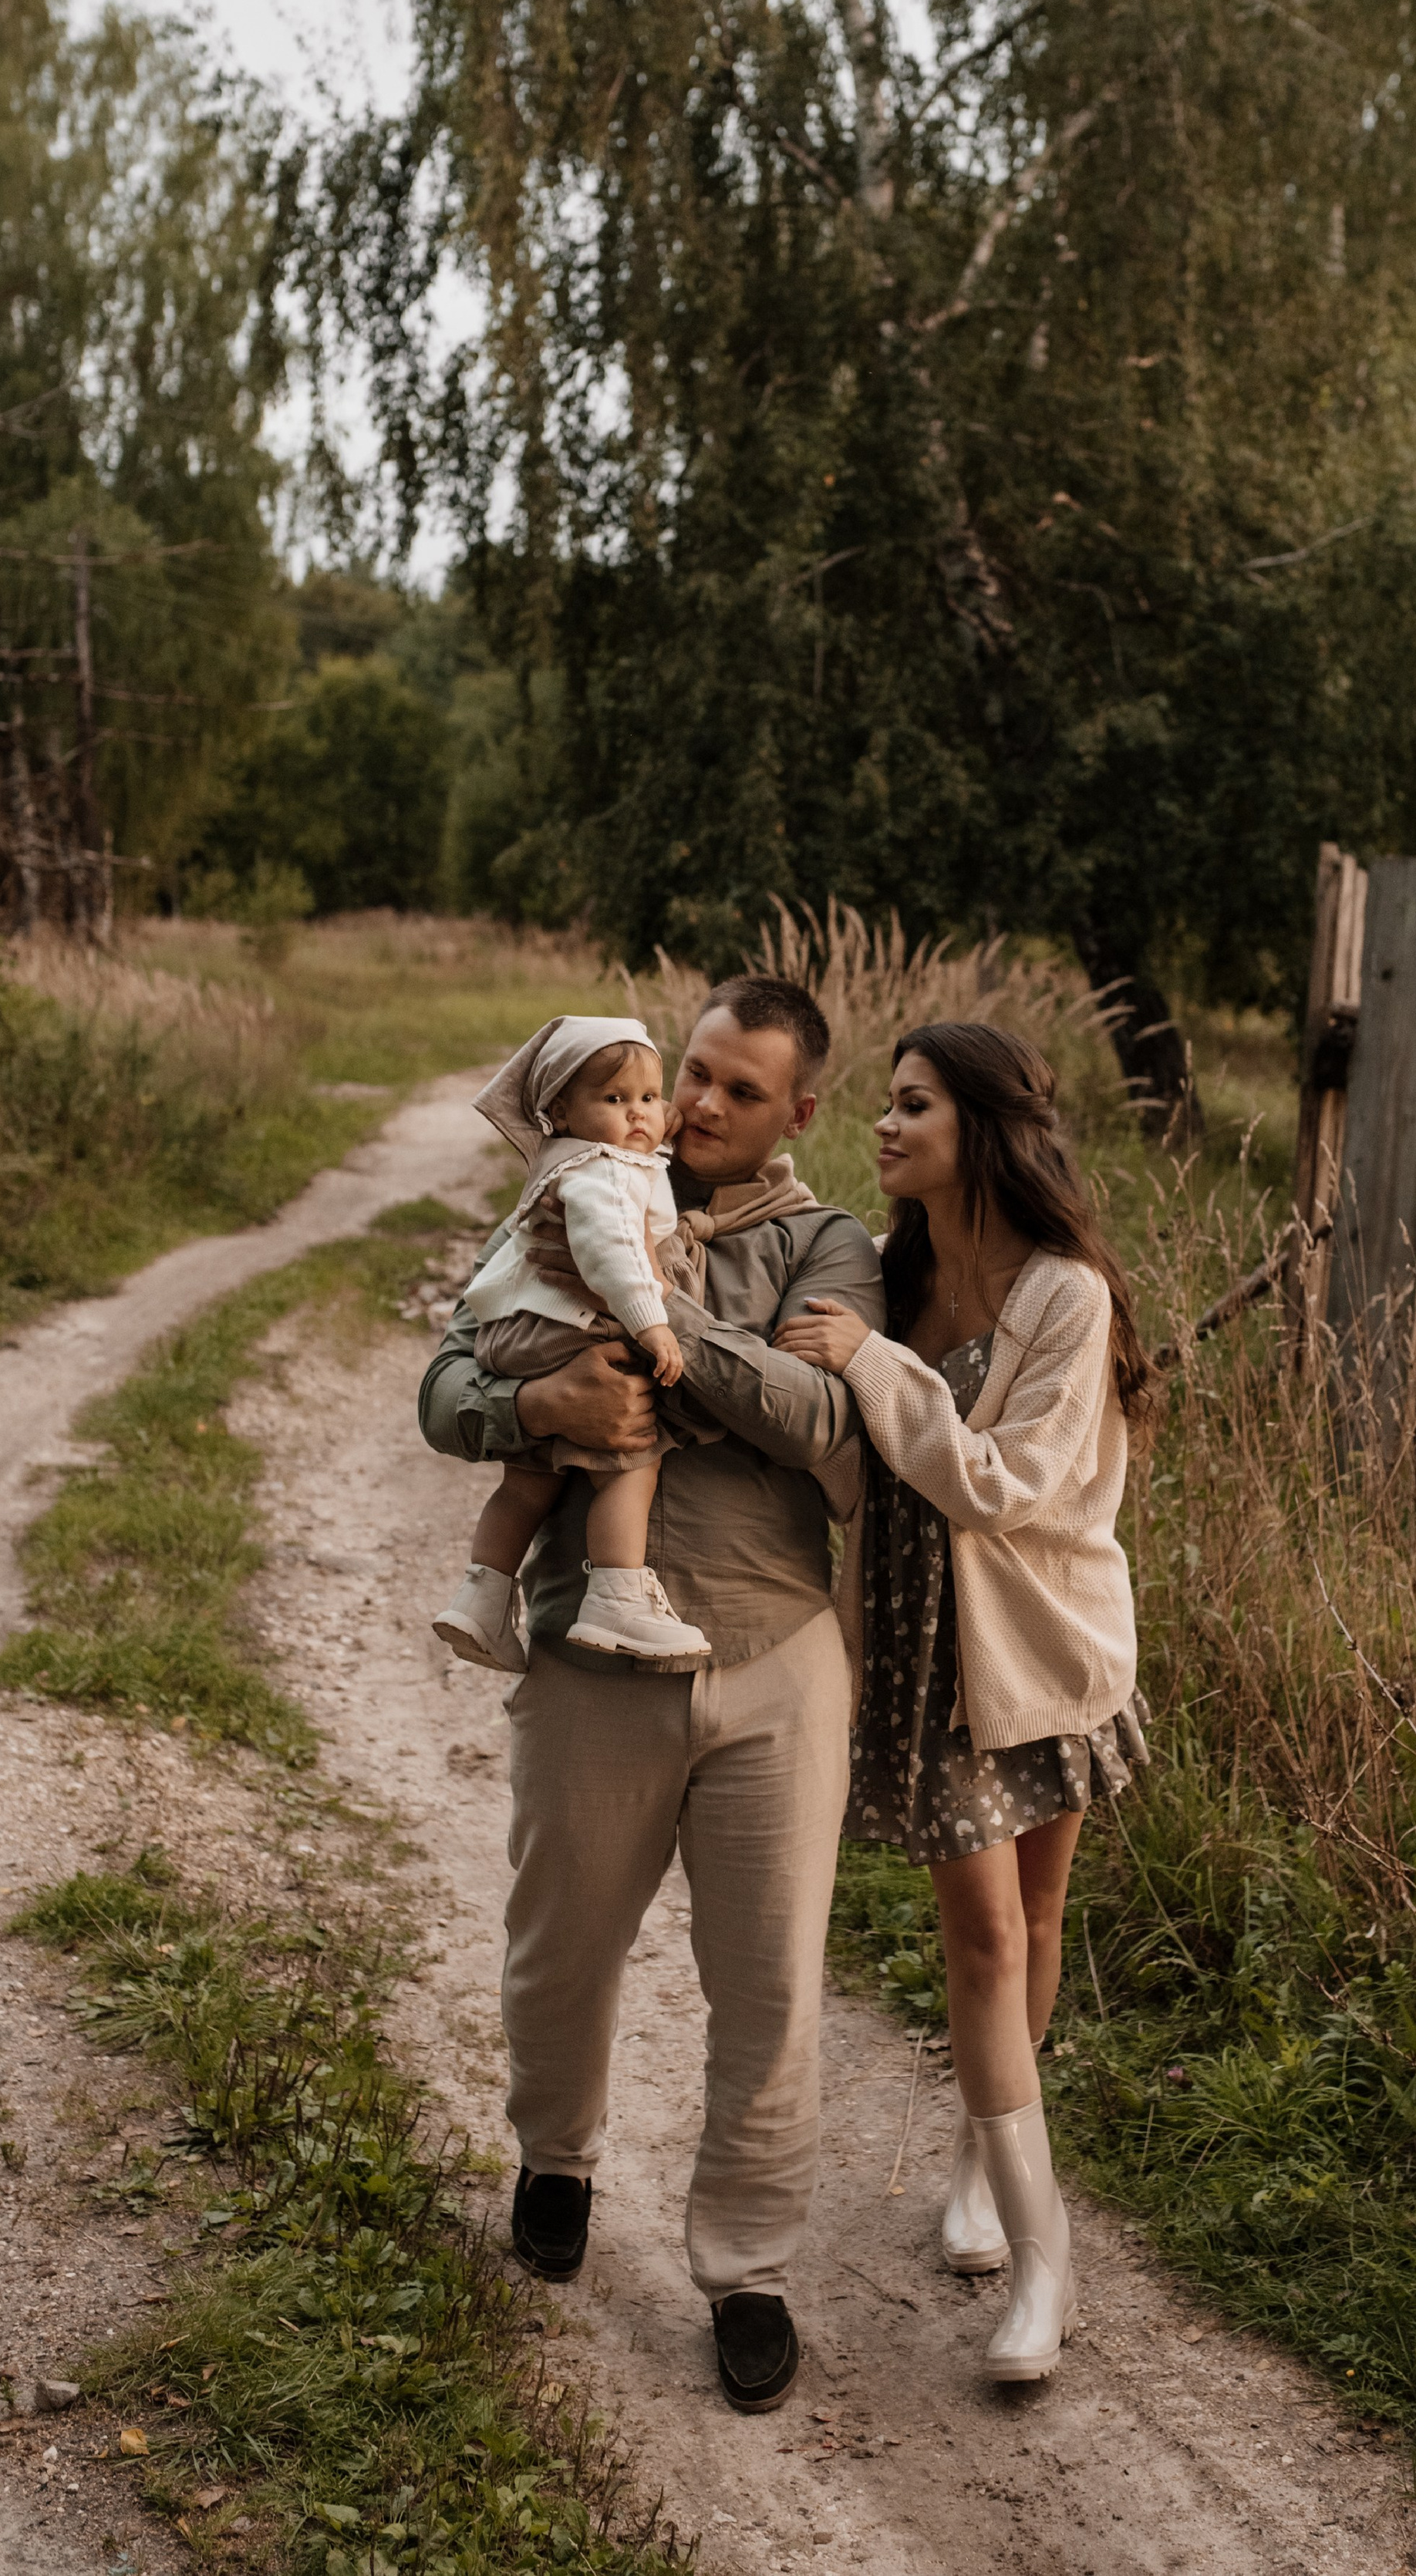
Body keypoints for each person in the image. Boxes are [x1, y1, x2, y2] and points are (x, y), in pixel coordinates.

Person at [417, 975, 885, 2416]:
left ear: (799, 1112)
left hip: (775, 1659)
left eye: (743, 1090)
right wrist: (537, 1406)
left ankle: (747, 2269)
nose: (701, 1104)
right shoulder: (579, 1181)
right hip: (588, 1654)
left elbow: (822, 1418)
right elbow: (448, 1375)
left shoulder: (827, 1244)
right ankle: (556, 2158)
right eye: (694, 1072)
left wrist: (662, 1319)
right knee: (560, 1946)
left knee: (770, 1987)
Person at [775, 1019, 1153, 2384]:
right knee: (987, 1935)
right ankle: (1049, 2264)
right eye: (887, 1102)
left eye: (915, 1103)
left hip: (1044, 1648)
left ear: (981, 1128)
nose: (884, 1124)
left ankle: (983, 2163)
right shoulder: (889, 1274)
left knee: (1037, 1920)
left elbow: (1001, 1487)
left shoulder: (1067, 1295)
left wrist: (872, 1366)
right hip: (924, 1659)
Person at [433, 1014, 708, 1675]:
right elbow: (616, 1253)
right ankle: (616, 1596)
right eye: (615, 1098)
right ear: (559, 1111)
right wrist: (652, 1323)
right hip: (569, 1327)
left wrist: (652, 1113)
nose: (639, 1114)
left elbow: (646, 1127)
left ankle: (482, 1597)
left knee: (529, 1479)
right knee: (632, 1458)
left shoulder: (571, 1158)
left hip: (519, 1332)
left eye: (649, 1097)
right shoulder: (605, 1169)